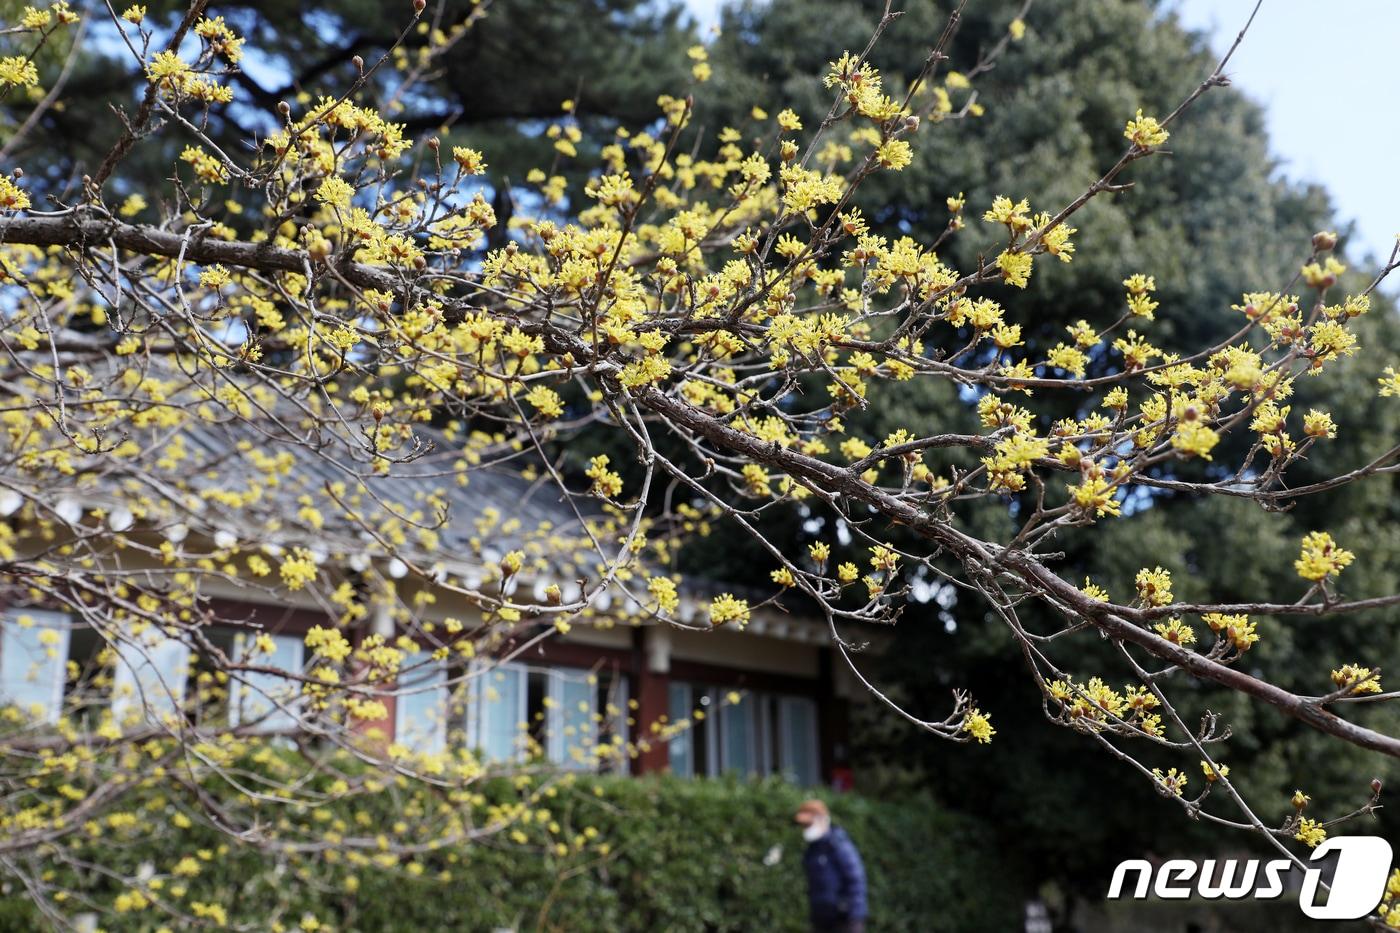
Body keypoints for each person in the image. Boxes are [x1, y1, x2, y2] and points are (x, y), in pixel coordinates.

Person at [794, 799, 867, 933]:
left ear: (822, 820)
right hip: (822, 919)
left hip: (845, 920)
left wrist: (849, 909)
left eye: (809, 824)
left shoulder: (838, 845)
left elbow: (856, 879)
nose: (806, 829)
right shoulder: (812, 850)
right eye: (804, 826)